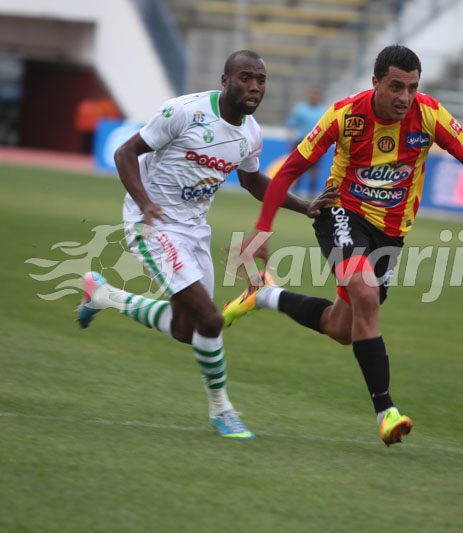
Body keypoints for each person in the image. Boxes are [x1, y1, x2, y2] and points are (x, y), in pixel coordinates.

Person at [223, 45, 463, 446]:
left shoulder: (429, 115)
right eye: (395, 87)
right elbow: (290, 169)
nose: (404, 98)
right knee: (366, 295)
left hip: (391, 233)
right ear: (375, 83)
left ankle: (264, 294)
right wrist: (263, 228)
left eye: (411, 87)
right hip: (341, 212)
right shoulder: (346, 115)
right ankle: (386, 412)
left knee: (342, 328)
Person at [76, 50, 338, 439]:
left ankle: (103, 295)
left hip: (195, 231)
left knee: (188, 330)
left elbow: (252, 182)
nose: (254, 86)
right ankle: (222, 410)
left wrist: (304, 206)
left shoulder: (250, 133)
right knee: (211, 320)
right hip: (153, 226)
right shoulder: (182, 113)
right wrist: (146, 203)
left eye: (261, 80)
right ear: (225, 80)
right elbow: (124, 152)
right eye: (246, 77)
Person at [284, 88, 325, 195]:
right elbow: (291, 124)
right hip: (301, 141)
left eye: (316, 95)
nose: (314, 97)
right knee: (297, 168)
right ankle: (294, 192)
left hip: (317, 143)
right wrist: (290, 141)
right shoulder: (300, 109)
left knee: (314, 171)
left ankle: (312, 193)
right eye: (312, 95)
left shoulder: (323, 111)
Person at [75, 89, 121, 154]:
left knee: (94, 143)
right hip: (87, 128)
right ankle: (86, 154)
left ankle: (90, 154)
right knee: (87, 143)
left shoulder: (103, 104)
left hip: (95, 128)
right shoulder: (88, 104)